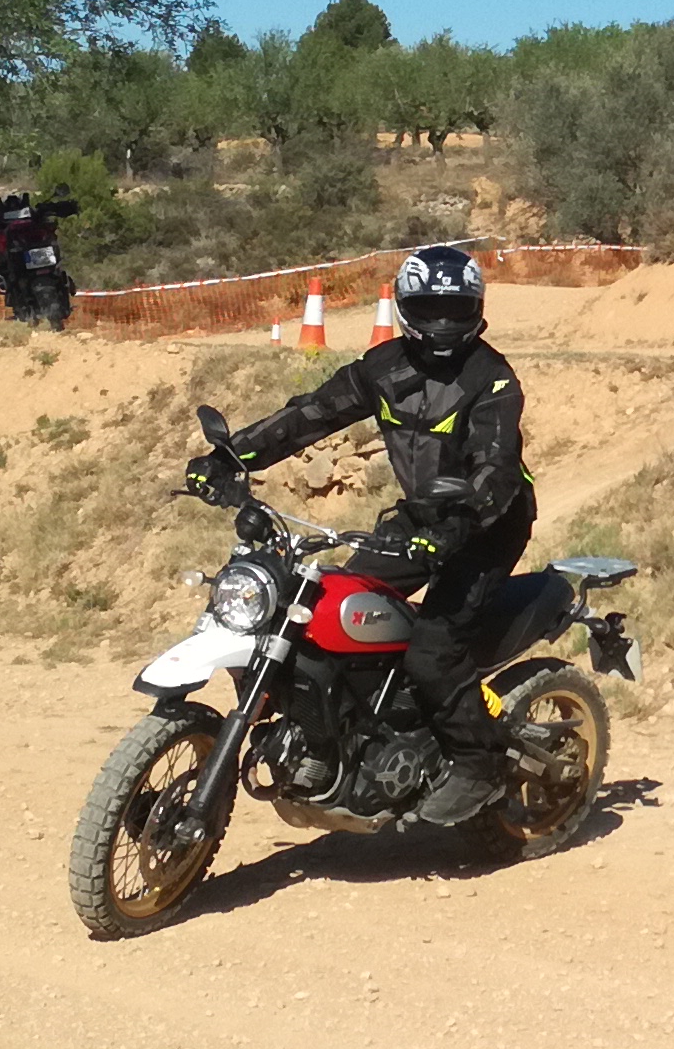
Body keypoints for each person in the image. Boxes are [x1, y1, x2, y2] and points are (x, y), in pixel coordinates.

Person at [199, 244, 534, 828]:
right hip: (421, 517)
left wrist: (459, 525)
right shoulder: (383, 368)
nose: (442, 322)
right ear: (406, 308)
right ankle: (350, 737)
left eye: (455, 309)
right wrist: (232, 457)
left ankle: (478, 764)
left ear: (476, 309)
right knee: (331, 612)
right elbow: (312, 413)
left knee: (434, 649)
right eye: (429, 309)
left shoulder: (493, 379)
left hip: (488, 524)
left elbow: (496, 469)